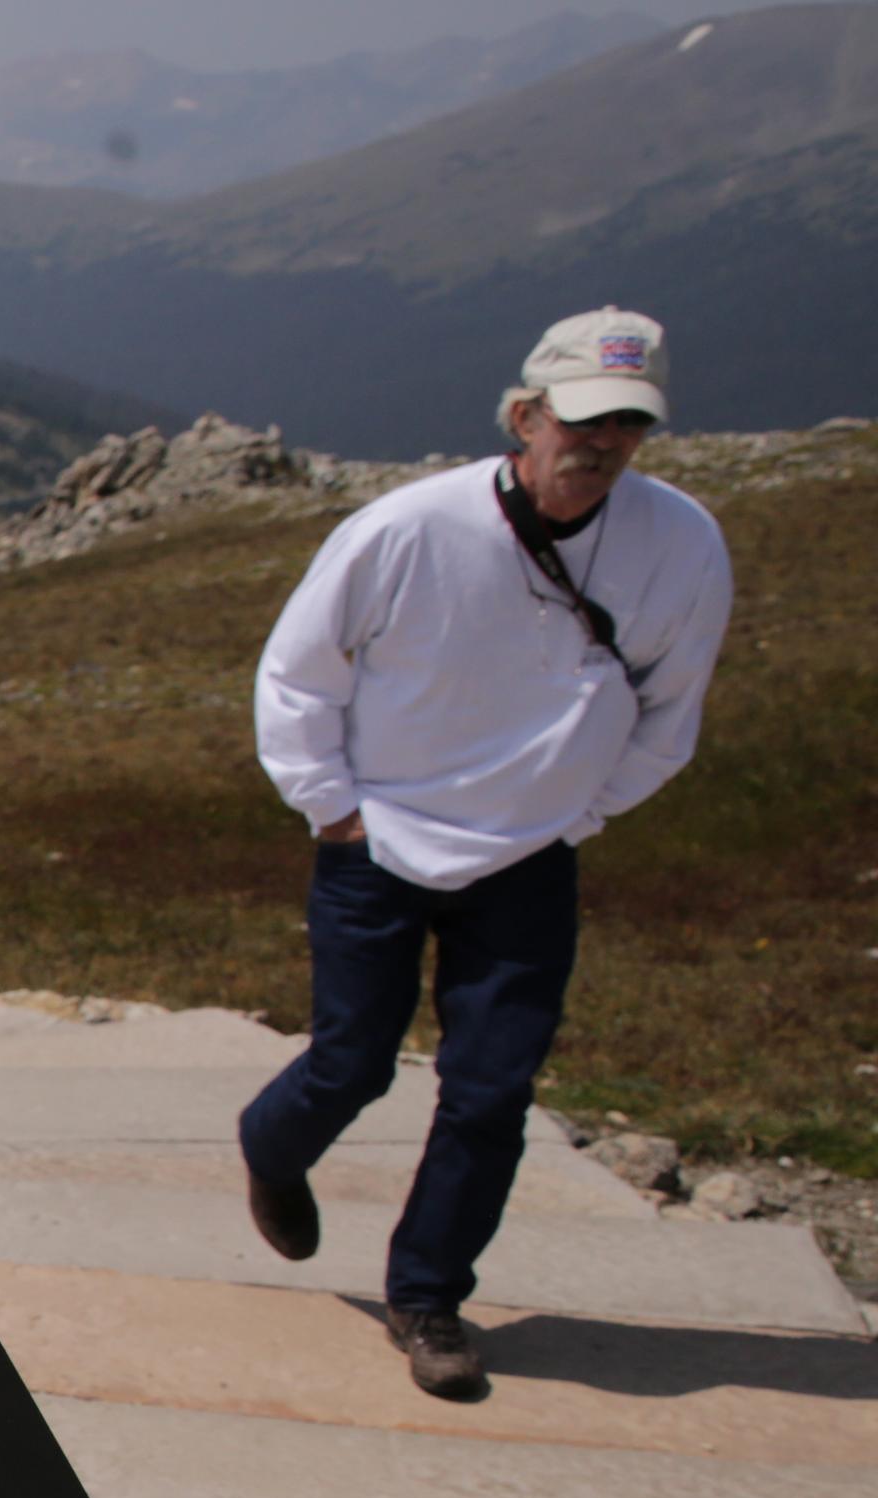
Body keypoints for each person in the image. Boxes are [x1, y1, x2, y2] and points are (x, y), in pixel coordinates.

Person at [241, 305, 731, 1401]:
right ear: (526, 414)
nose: (601, 446)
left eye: (629, 425)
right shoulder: (410, 529)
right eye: (583, 420)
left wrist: (579, 815)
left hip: (529, 857)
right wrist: (333, 810)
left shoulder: (682, 542)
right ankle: (272, 1148)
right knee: (351, 1062)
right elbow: (299, 673)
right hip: (378, 843)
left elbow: (672, 708)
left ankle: (428, 1299)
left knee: (491, 1088)